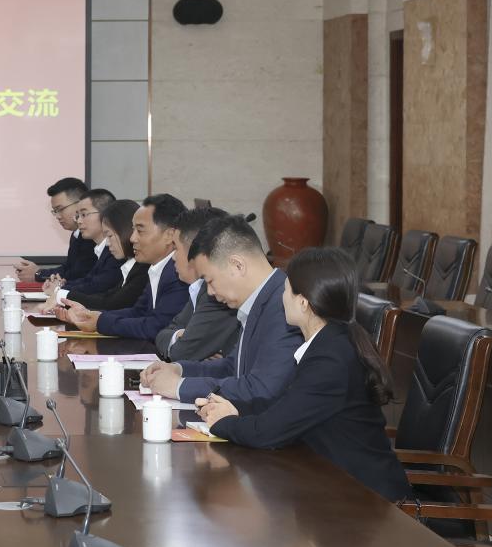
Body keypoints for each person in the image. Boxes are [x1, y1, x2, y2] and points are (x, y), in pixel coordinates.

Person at [198, 247, 414, 504]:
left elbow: (269, 432)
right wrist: (234, 408)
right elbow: (285, 406)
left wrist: (222, 423)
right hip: (334, 486)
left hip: (369, 502)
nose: (282, 298)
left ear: (303, 302)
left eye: (286, 290)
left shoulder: (331, 359)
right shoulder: (331, 342)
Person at [140, 215, 303, 405]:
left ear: (237, 265)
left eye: (210, 280)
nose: (210, 292)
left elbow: (262, 389)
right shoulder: (263, 297)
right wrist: (179, 369)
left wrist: (179, 386)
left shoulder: (285, 305)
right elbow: (232, 367)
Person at [52, 194, 187, 339]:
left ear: (169, 235)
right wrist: (90, 316)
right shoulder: (157, 268)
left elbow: (156, 327)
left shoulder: (178, 273)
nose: (132, 238)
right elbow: (138, 311)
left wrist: (99, 322)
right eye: (133, 230)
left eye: (140, 230)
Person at [156, 207, 240, 362]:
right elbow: (164, 333)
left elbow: (181, 353)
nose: (173, 257)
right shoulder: (201, 287)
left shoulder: (217, 293)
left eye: (176, 248)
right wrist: (179, 335)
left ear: (196, 250)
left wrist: (184, 341)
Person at [46, 198, 145, 313]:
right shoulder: (131, 265)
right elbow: (107, 296)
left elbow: (110, 303)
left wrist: (61, 293)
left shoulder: (143, 269)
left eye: (110, 236)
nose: (107, 243)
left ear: (125, 230)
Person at [25, 178, 91, 284]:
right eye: (55, 211)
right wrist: (39, 272)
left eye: (60, 209)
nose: (58, 216)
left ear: (81, 204)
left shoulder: (92, 236)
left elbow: (76, 275)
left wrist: (38, 274)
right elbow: (68, 268)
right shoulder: (76, 234)